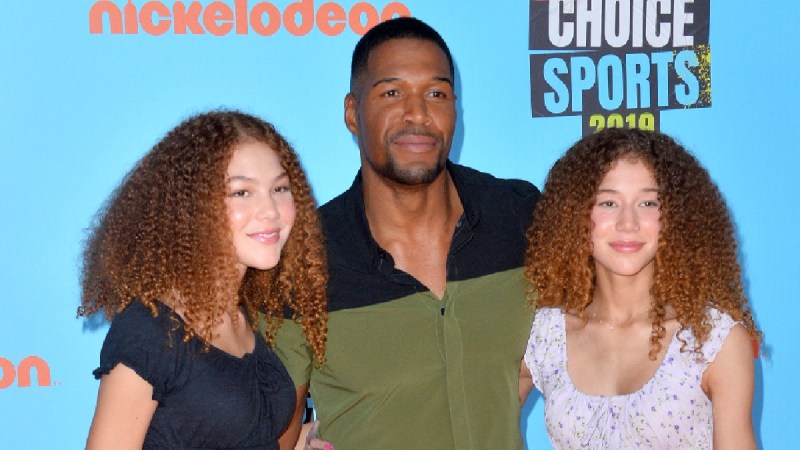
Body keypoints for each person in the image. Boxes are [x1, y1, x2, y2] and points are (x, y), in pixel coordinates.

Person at [272, 16, 540, 450]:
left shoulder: (521, 218)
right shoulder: (302, 260)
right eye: (392, 93)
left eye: (436, 93)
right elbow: (275, 434)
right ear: (351, 114)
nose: (418, 114)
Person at [79, 110, 327, 449]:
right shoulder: (150, 333)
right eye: (242, 192)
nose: (270, 210)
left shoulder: (243, 318)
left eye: (280, 188)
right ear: (192, 207)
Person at [520, 128, 761, 449]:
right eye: (608, 202)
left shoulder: (713, 340)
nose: (628, 222)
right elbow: (477, 427)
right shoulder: (543, 333)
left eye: (648, 202)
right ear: (575, 214)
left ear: (675, 217)